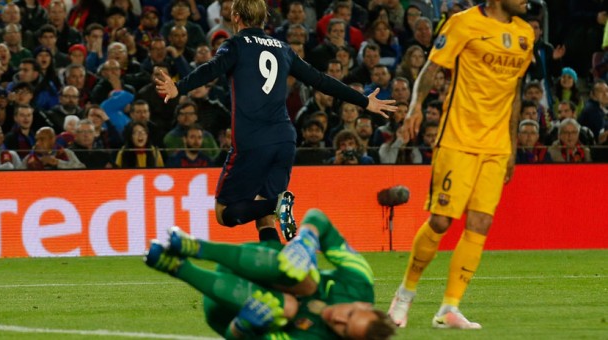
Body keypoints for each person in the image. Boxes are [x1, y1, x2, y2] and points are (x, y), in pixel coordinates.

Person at [155, 0, 396, 242]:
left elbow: (212, 69)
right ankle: (277, 274)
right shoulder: (283, 48)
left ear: (236, 17)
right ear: (264, 19)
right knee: (265, 218)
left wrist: (178, 87)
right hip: (284, 139)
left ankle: (278, 204)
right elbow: (321, 81)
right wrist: (364, 101)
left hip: (251, 141)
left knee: (225, 213)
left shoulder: (236, 44)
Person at [389, 0, 533, 330]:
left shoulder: (525, 33)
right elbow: (431, 68)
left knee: (480, 222)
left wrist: (511, 145)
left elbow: (516, 92)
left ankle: (449, 307)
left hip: (496, 146)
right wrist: (415, 107)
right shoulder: (462, 23)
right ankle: (403, 297)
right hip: (458, 138)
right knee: (440, 221)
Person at [143, 208, 396, 339]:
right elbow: (320, 218)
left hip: (227, 307)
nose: (337, 319)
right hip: (255, 263)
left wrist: (242, 327)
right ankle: (196, 246)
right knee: (305, 277)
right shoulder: (360, 282)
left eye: (343, 330)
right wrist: (307, 239)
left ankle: (177, 267)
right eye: (349, 314)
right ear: (365, 304)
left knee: (286, 307)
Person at [21, 126, 85, 170]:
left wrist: (57, 162)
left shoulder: (67, 153)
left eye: (42, 139)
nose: (37, 143)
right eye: (37, 140)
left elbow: (82, 168)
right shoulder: (29, 158)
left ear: (52, 140)